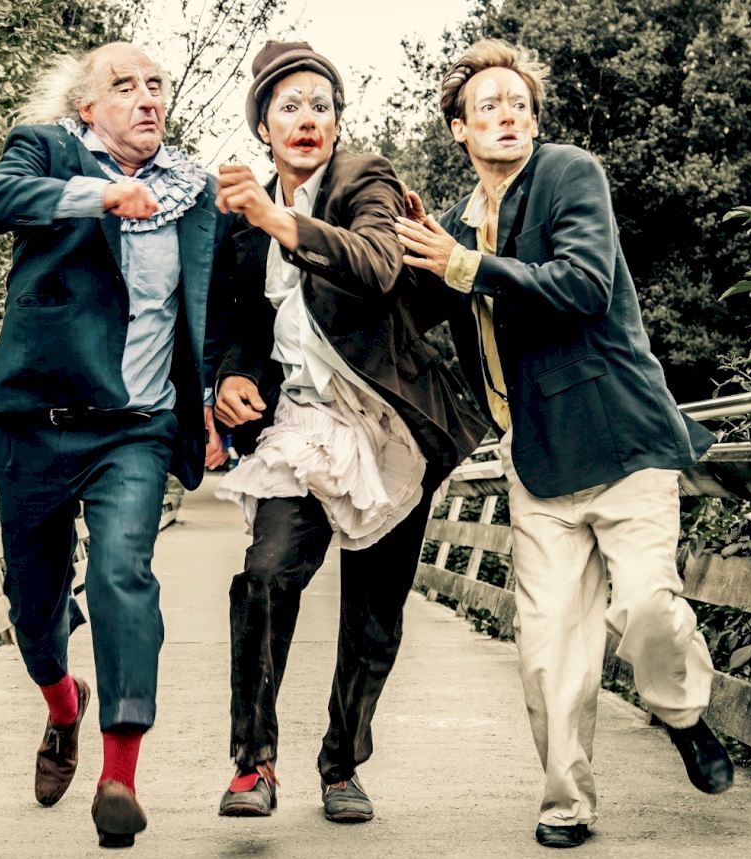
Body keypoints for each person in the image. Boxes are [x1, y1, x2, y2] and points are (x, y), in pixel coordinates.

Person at [394, 38, 734, 849]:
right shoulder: (453, 226)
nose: (507, 115)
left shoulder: (570, 174)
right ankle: (566, 801)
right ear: (458, 129)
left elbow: (583, 284)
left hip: (622, 440)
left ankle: (682, 711)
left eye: (519, 103)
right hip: (535, 459)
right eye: (488, 106)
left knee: (646, 604)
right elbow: (415, 311)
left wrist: (466, 265)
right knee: (548, 651)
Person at [208, 40, 488, 823]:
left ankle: (341, 763)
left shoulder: (365, 180)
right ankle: (253, 763)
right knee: (265, 576)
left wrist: (282, 220)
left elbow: (376, 265)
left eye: (321, 105)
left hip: (391, 424)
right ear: (264, 125)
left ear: (336, 121)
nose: (308, 118)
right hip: (300, 427)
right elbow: (242, 323)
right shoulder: (242, 223)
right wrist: (230, 378)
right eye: (289, 105)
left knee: (373, 614)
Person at [0, 41, 225, 849]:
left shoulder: (194, 190)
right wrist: (99, 196)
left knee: (121, 577)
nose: (147, 98)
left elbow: (212, 304)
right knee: (35, 603)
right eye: (125, 85)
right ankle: (62, 702)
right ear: (88, 107)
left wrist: (215, 394)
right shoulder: (48, 152)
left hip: (136, 426)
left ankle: (120, 778)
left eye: (156, 85)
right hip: (34, 419)